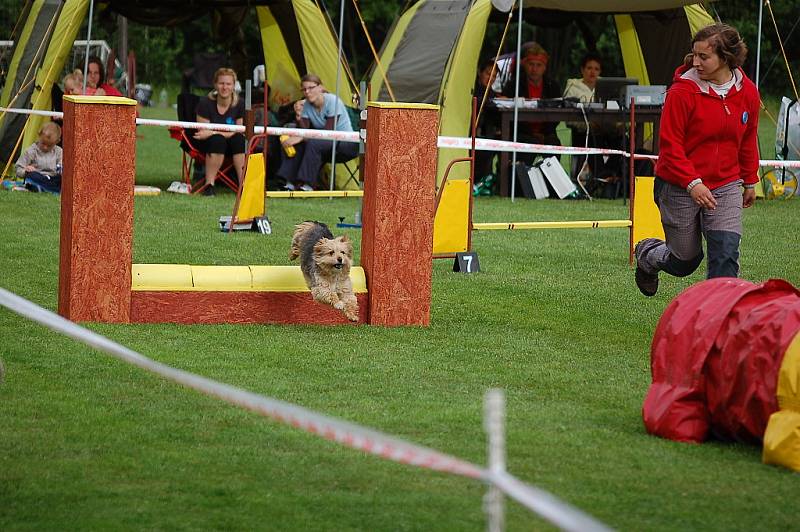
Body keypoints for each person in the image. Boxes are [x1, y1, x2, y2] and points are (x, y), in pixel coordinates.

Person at [634, 23, 759, 296]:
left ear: (726, 58)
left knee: (725, 254)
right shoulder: (681, 92)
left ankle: (718, 323)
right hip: (679, 184)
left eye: (704, 57)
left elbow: (748, 138)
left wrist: (750, 180)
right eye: (695, 55)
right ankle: (647, 255)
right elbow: (670, 146)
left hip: (725, 184)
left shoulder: (747, 92)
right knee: (684, 261)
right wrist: (693, 183)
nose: (696, 62)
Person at [277, 74, 358, 191]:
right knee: (295, 142)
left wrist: (301, 137)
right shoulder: (307, 106)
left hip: (346, 143)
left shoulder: (333, 101)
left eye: (311, 88)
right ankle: (288, 181)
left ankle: (306, 184)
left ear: (320, 88)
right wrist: (299, 119)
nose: (307, 92)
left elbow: (328, 132)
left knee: (313, 143)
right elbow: (305, 130)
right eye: (304, 89)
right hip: (324, 144)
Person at [563, 53, 623, 197]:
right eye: (589, 68)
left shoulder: (608, 86)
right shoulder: (573, 87)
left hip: (607, 130)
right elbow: (568, 116)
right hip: (584, 132)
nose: (592, 72)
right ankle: (603, 179)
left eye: (596, 69)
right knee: (593, 141)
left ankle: (610, 176)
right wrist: (589, 125)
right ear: (582, 70)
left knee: (623, 141)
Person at [501, 41, 562, 157]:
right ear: (525, 65)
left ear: (544, 67)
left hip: (546, 132)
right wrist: (532, 134)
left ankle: (549, 175)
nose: (534, 69)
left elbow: (557, 115)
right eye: (531, 64)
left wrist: (543, 133)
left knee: (554, 145)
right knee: (527, 144)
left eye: (538, 65)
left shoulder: (553, 86)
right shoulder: (514, 85)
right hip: (521, 132)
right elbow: (508, 112)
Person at [193, 67, 246, 195]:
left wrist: (213, 132)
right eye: (221, 83)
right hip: (208, 144)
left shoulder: (240, 104)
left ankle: (243, 185)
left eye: (228, 84)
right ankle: (209, 185)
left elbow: (239, 131)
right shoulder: (205, 103)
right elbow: (203, 132)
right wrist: (215, 134)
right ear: (215, 84)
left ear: (234, 86)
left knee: (239, 140)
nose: (224, 87)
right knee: (218, 140)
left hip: (231, 143)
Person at [473, 59, 502, 195]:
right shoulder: (474, 90)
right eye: (487, 74)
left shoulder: (492, 93)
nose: (491, 78)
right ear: (480, 72)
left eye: (494, 76)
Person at [15, 122, 63, 193]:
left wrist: (61, 170)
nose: (45, 147)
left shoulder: (59, 151)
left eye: (49, 145)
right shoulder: (31, 151)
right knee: (31, 175)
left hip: (52, 178)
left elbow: (61, 166)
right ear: (39, 136)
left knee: (63, 179)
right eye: (43, 143)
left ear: (57, 141)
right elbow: (18, 169)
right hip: (37, 177)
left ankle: (42, 188)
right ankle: (47, 189)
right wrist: (25, 170)